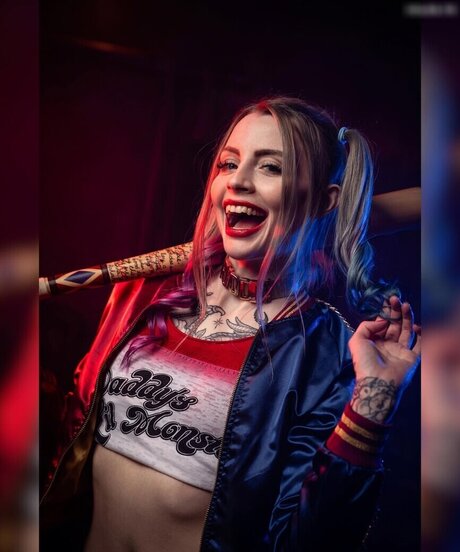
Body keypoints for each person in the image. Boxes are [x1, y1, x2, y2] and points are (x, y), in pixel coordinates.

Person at [40, 97, 420, 551]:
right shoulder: (144, 296)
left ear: (324, 201)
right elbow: (73, 443)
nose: (238, 181)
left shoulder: (327, 353)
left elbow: (309, 540)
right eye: (228, 163)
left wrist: (372, 408)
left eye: (271, 167)